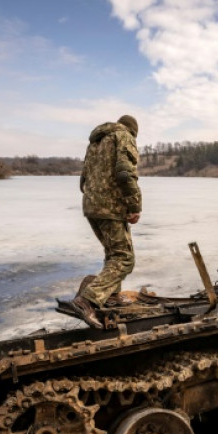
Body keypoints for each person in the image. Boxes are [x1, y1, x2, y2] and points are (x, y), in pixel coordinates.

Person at [71, 115, 142, 329]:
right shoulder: (124, 136)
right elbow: (125, 173)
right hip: (110, 206)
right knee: (124, 258)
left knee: (113, 254)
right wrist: (134, 205)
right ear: (133, 131)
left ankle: (111, 295)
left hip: (91, 205)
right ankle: (88, 299)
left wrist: (94, 198)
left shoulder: (96, 141)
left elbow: (83, 179)